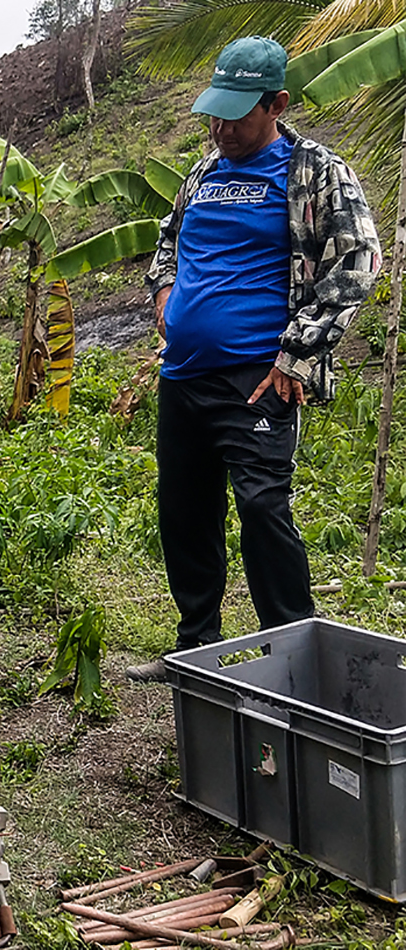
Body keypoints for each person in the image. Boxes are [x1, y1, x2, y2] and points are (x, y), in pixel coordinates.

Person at [127, 36, 381, 683]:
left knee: (263, 508)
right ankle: (194, 650)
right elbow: (169, 241)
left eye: (236, 115)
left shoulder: (315, 171)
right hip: (182, 374)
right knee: (184, 512)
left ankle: (296, 659)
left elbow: (359, 260)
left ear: (277, 105)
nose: (220, 127)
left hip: (257, 379)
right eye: (214, 112)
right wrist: (164, 298)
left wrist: (297, 354)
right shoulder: (203, 170)